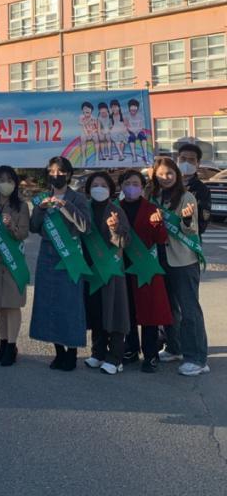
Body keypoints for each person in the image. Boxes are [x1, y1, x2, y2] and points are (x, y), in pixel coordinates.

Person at [148, 157, 209, 376]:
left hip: (183, 260)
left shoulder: (186, 197)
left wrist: (186, 220)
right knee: (169, 307)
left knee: (189, 309)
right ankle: (175, 348)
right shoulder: (153, 196)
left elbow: (191, 231)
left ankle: (198, 358)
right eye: (161, 174)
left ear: (177, 174)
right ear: (154, 175)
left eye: (169, 173)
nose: (165, 178)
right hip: (160, 259)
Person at [29, 156, 91, 371]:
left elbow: (85, 227)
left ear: (69, 174)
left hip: (70, 254)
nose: (56, 175)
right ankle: (58, 351)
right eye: (52, 171)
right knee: (49, 302)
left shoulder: (78, 198)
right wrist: (40, 209)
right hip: (47, 254)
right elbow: (34, 227)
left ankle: (72, 351)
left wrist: (66, 206)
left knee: (70, 303)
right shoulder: (43, 197)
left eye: (61, 171)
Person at [118, 170, 173, 373]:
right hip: (123, 266)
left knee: (149, 312)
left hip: (145, 266)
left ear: (142, 187)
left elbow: (161, 239)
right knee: (128, 310)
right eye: (127, 183)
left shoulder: (151, 209)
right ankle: (131, 349)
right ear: (121, 186)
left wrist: (157, 224)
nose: (131, 187)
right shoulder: (115, 208)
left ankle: (150, 354)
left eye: (136, 183)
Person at [0, 165, 30, 367]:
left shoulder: (21, 206)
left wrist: (11, 226)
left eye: (9, 180)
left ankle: (11, 346)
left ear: (15, 183)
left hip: (13, 261)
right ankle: (2, 343)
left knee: (12, 304)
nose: (5, 184)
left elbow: (23, 233)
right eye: (1, 180)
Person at [81, 172, 130, 375]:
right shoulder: (85, 209)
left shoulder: (116, 210)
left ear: (110, 189)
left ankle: (115, 357)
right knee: (96, 311)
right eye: (95, 185)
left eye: (103, 185)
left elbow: (124, 242)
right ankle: (98, 352)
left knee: (115, 312)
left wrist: (115, 229)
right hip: (91, 269)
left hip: (111, 268)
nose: (99, 188)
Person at [177, 142, 211, 236]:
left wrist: (187, 222)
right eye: (183, 158)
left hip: (188, 239)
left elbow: (202, 224)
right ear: (178, 160)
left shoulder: (202, 190)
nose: (186, 163)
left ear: (198, 163)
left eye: (191, 160)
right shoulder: (167, 183)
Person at [125, 99, 148, 164]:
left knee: (143, 136)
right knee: (131, 137)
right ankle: (134, 156)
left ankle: (145, 154)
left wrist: (137, 132)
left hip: (139, 131)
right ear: (129, 109)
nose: (133, 111)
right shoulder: (127, 116)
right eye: (132, 109)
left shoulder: (141, 116)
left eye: (135, 109)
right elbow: (127, 127)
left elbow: (142, 126)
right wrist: (134, 132)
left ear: (137, 109)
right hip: (131, 131)